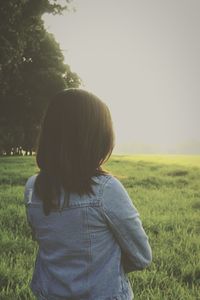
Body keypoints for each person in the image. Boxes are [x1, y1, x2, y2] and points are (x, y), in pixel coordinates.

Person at [24, 88, 152, 300]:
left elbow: (44, 240)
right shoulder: (106, 189)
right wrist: (104, 267)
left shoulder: (32, 187)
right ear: (98, 138)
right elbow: (142, 256)